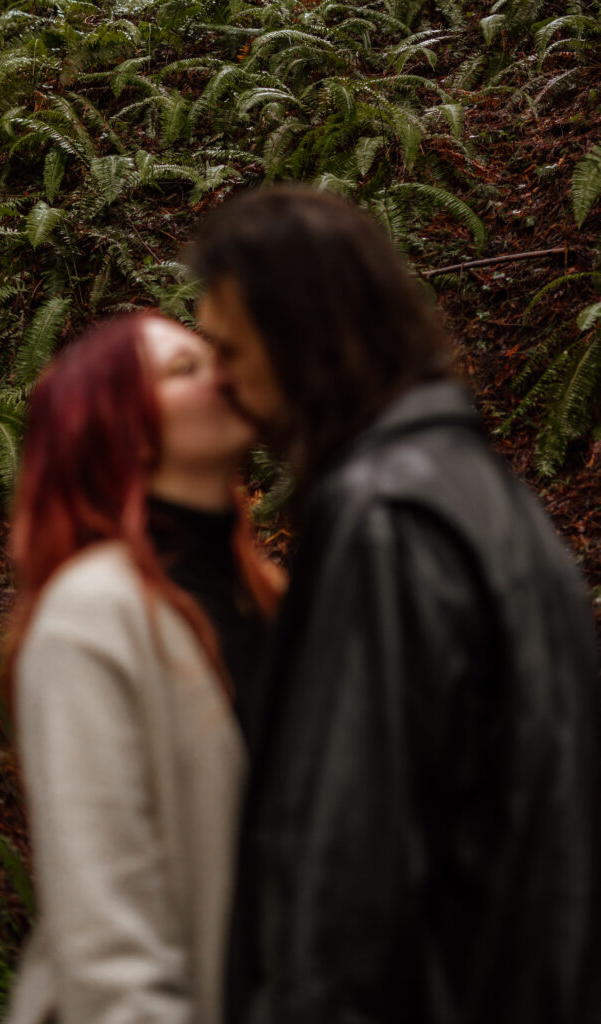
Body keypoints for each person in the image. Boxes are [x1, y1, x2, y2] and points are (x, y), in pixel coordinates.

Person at [189, 185, 601, 1024]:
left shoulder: (383, 522)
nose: (219, 383)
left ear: (304, 335)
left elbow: (344, 875)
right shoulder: (479, 494)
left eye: (229, 352)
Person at [3, 312, 283, 1024]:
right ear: (119, 429)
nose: (222, 373)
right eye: (184, 369)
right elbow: (107, 946)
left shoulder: (269, 599)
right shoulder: (89, 617)